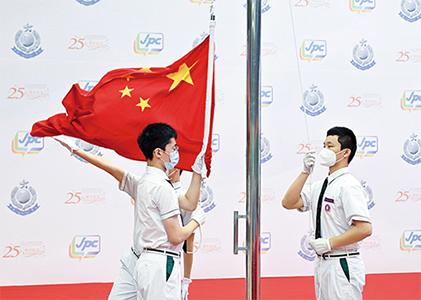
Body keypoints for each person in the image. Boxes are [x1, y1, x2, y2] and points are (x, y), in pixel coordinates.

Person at [53, 122, 206, 300]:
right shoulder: (154, 185)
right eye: (173, 149)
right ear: (158, 153)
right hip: (146, 261)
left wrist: (197, 172)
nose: (176, 154)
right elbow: (111, 168)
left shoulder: (157, 186)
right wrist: (197, 221)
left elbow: (189, 206)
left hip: (152, 262)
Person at [282, 126, 372, 300]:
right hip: (323, 263)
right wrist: (305, 172)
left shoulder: (348, 185)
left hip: (342, 263)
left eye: (330, 146)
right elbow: (288, 202)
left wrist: (330, 243)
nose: (324, 150)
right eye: (324, 145)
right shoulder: (321, 185)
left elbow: (365, 229)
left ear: (345, 153)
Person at [167, 168, 198, 300]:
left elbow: (188, 246)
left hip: (170, 261)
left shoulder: (185, 198)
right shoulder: (155, 189)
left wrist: (185, 280)